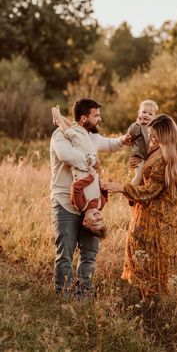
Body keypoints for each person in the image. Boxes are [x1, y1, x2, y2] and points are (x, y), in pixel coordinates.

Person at [50, 98, 131, 299]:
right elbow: (65, 155)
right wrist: (92, 160)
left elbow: (110, 144)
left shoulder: (91, 137)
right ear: (84, 118)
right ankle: (64, 297)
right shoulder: (60, 135)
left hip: (90, 209)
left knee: (89, 255)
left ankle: (84, 296)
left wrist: (124, 139)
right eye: (96, 116)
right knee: (65, 254)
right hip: (65, 204)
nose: (99, 119)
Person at [104, 114, 177, 301]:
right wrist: (139, 167)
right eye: (150, 135)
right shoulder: (164, 151)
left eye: (154, 136)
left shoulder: (165, 158)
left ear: (165, 136)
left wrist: (121, 188)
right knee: (152, 260)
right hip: (158, 217)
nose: (151, 140)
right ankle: (151, 303)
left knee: (152, 260)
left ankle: (153, 305)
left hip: (155, 220)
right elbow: (145, 178)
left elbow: (149, 191)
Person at [52, 106, 107, 239]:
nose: (98, 218)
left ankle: (59, 121)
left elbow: (76, 187)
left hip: (82, 170)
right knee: (81, 136)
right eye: (101, 220)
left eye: (95, 222)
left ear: (85, 221)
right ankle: (60, 118)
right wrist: (102, 186)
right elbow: (104, 193)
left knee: (75, 136)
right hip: (91, 168)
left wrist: (90, 179)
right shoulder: (101, 204)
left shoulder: (81, 205)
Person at [128, 100, 159, 185]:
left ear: (154, 116)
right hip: (138, 156)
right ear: (139, 113)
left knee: (144, 178)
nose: (146, 115)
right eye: (144, 112)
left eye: (150, 114)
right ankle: (131, 193)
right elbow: (131, 133)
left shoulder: (151, 128)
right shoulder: (137, 125)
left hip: (146, 156)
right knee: (139, 176)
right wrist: (138, 122)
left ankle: (139, 194)